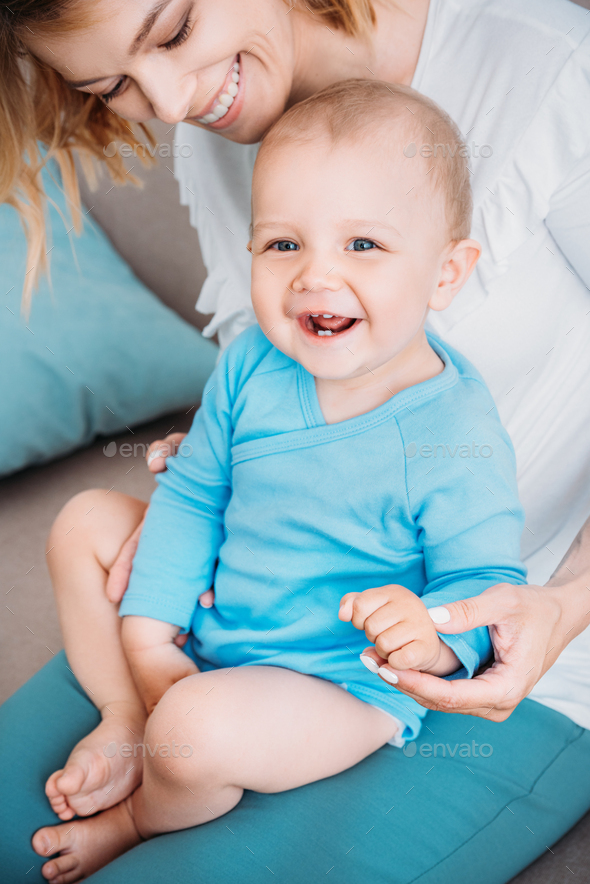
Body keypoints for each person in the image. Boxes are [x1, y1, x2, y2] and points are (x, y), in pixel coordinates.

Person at [1, 1, 590, 883]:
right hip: (231, 613)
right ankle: (137, 716)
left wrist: (468, 628)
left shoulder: (549, 68)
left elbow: (476, 584)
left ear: (447, 271)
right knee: (89, 539)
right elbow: (215, 470)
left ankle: (141, 804)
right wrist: (158, 626)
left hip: (449, 663)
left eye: (170, 30)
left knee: (191, 749)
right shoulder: (220, 138)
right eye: (111, 83)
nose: (167, 103)